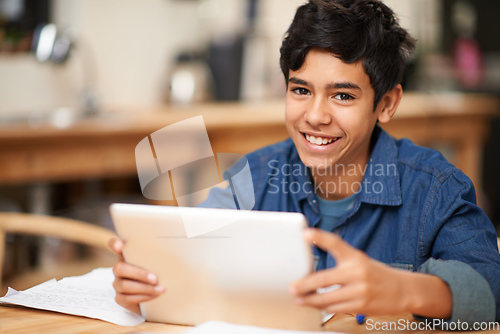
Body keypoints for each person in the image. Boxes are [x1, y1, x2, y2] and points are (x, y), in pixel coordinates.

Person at [110, 0, 500, 325]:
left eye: (342, 96)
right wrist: (148, 286)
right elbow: (192, 260)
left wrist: (403, 289)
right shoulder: (254, 178)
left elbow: (490, 289)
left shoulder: (435, 188)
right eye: (301, 90)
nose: (315, 115)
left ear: (386, 103)